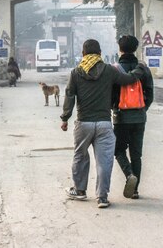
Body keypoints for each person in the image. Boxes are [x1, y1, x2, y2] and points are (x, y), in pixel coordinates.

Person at [61, 39, 140, 209]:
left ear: (83, 54)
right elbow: (127, 80)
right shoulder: (108, 70)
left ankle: (80, 190)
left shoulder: (76, 72)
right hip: (104, 123)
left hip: (83, 123)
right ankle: (102, 198)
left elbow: (69, 96)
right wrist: (139, 70)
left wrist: (65, 118)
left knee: (80, 156)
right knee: (104, 161)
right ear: (99, 53)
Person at [112, 35, 154, 200]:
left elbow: (111, 94)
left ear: (120, 49)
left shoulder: (115, 69)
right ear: (135, 48)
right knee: (136, 154)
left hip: (121, 117)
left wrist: (115, 107)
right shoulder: (143, 68)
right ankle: (135, 190)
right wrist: (142, 109)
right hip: (139, 116)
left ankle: (129, 175)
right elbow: (150, 94)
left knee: (119, 149)